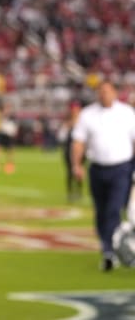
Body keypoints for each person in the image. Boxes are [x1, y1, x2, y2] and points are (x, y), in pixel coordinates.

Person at [71, 79, 135, 271]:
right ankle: (108, 245)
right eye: (101, 91)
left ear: (115, 93)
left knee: (114, 209)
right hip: (97, 168)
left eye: (107, 91)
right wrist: (76, 164)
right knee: (101, 210)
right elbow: (78, 141)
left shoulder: (126, 113)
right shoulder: (88, 114)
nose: (104, 95)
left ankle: (111, 250)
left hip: (122, 167)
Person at [58, 100, 85, 202]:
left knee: (79, 170)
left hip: (80, 150)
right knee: (69, 171)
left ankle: (79, 191)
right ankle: (70, 192)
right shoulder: (68, 122)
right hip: (69, 149)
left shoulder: (83, 120)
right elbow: (62, 136)